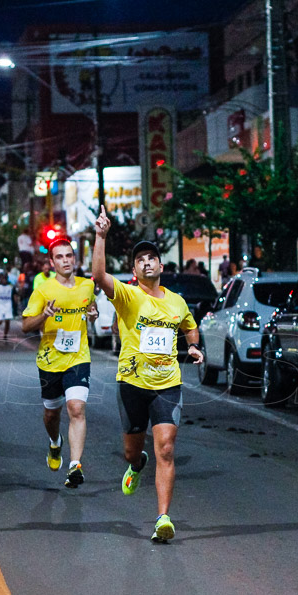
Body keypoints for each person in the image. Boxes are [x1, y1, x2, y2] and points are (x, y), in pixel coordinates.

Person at [92, 207, 204, 542]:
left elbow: (189, 328)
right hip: (132, 383)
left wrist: (194, 347)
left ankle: (163, 518)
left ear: (161, 265)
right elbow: (98, 276)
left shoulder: (177, 302)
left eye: (151, 257)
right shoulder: (129, 296)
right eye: (140, 260)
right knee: (132, 452)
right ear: (134, 270)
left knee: (167, 449)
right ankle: (136, 465)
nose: (147, 262)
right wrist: (101, 236)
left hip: (167, 384)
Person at [22, 238, 98, 488]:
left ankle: (75, 465)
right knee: (51, 413)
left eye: (69, 255)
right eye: (60, 257)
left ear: (74, 259)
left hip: (78, 358)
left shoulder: (87, 287)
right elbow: (25, 326)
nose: (66, 260)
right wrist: (43, 316)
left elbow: (91, 310)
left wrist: (94, 316)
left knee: (76, 408)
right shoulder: (43, 290)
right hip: (49, 361)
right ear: (52, 262)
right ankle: (55, 443)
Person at [0, 271, 15, 340]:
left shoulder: (11, 285)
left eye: (5, 278)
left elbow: (14, 294)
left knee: (7, 320)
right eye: (2, 278)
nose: (4, 280)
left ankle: (5, 334)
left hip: (8, 304)